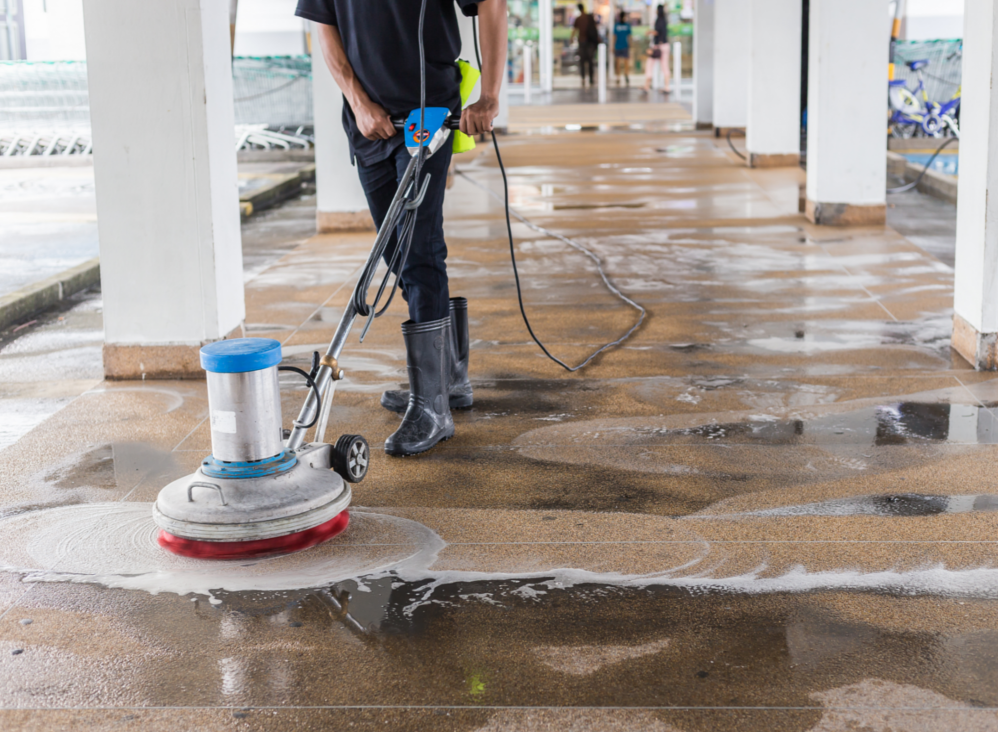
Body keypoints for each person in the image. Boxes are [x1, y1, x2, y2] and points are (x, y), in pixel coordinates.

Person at [294, 0, 508, 456]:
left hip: (428, 114)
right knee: (396, 251)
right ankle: (448, 377)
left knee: (420, 250)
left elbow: (491, 5)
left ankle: (432, 407)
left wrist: (489, 95)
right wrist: (358, 101)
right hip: (368, 123)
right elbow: (322, 24)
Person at [642, 4, 671, 94]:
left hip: (658, 46)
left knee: (649, 65)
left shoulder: (659, 20)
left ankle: (647, 86)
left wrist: (650, 32)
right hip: (665, 46)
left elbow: (657, 32)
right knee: (665, 67)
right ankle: (667, 87)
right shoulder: (665, 20)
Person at [570, 2, 599, 89]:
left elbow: (574, 30)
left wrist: (571, 38)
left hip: (582, 42)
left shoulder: (578, 19)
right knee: (590, 61)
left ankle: (583, 78)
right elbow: (595, 28)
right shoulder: (589, 17)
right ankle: (591, 78)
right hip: (590, 42)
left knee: (582, 61)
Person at [613, 9, 631, 87]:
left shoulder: (627, 25)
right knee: (618, 63)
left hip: (625, 46)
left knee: (626, 62)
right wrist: (613, 46)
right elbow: (614, 36)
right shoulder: (616, 25)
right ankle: (618, 77)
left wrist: (630, 44)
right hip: (618, 46)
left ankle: (626, 75)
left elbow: (629, 36)